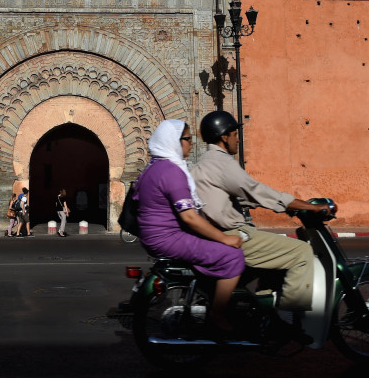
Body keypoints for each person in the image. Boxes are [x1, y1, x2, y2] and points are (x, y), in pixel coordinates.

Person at [191, 111, 337, 313]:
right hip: (234, 235)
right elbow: (257, 191)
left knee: (275, 257)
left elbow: (238, 196)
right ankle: (290, 315)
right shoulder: (223, 164)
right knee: (302, 252)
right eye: (234, 134)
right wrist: (310, 206)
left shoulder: (201, 165)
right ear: (224, 137)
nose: (238, 139)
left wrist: (272, 205)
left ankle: (263, 309)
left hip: (214, 235)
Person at [136, 119, 245, 331]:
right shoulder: (171, 172)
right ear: (173, 142)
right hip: (167, 238)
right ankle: (217, 314)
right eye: (187, 139)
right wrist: (225, 238)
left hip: (153, 236)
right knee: (232, 255)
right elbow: (189, 218)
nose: (191, 144)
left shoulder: (153, 168)